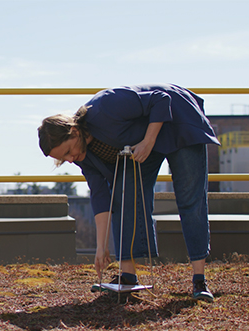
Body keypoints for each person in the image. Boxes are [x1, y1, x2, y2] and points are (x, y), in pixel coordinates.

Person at [38, 83, 219, 302]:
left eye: (67, 151)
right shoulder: (83, 156)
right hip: (144, 141)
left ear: (74, 131)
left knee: (190, 199)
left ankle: (199, 280)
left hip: (177, 120)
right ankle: (128, 276)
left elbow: (161, 99)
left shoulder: (106, 106)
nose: (69, 159)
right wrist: (101, 247)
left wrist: (149, 140)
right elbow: (102, 197)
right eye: (62, 158)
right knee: (124, 193)